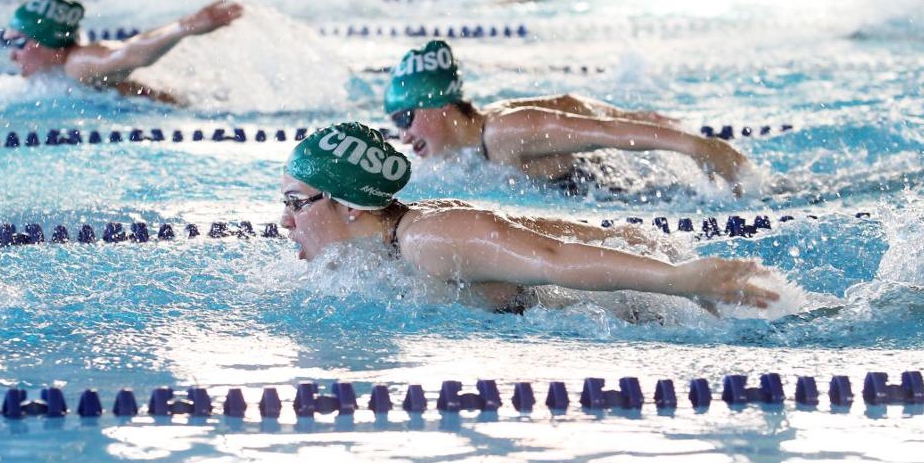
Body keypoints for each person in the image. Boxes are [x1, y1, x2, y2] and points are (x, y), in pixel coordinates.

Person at [280, 122, 779, 314]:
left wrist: (678, 280)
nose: (285, 221)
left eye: (295, 202)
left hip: (664, 307)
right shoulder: (405, 234)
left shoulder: (427, 238)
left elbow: (552, 258)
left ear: (348, 204)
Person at [382, 40, 751, 196]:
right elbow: (571, 103)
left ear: (439, 106)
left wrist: (698, 147)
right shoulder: (489, 126)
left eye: (404, 118)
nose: (403, 135)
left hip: (623, 194)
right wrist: (630, 114)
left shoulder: (505, 131)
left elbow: (600, 132)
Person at [4, 0, 242, 102]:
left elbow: (127, 53)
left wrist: (184, 26)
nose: (12, 56)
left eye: (18, 43)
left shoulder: (78, 63)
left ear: (51, 45)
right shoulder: (55, 75)